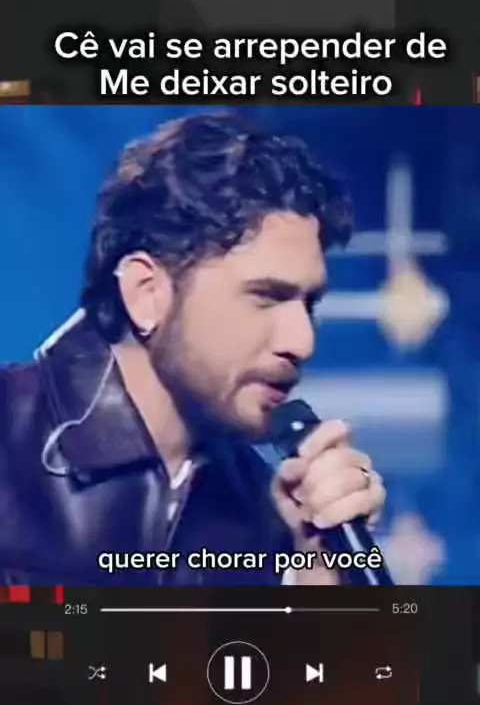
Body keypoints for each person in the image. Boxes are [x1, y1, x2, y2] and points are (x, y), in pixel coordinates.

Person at [0, 111, 385, 585]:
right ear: (146, 293)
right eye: (266, 297)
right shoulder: (10, 438)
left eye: (310, 304)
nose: (302, 342)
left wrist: (315, 576)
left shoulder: (266, 514)